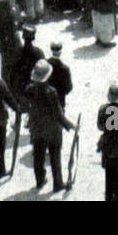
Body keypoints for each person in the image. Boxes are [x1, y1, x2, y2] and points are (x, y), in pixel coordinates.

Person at [25, 58, 74, 192]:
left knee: (38, 155)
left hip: (37, 128)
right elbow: (58, 115)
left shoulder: (29, 89)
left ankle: (40, 180)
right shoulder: (51, 92)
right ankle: (57, 183)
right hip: (52, 130)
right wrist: (70, 126)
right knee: (55, 157)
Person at [46, 41, 72, 112]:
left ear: (51, 51)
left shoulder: (45, 65)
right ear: (60, 52)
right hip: (60, 101)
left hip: (46, 101)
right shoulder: (65, 68)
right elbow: (69, 88)